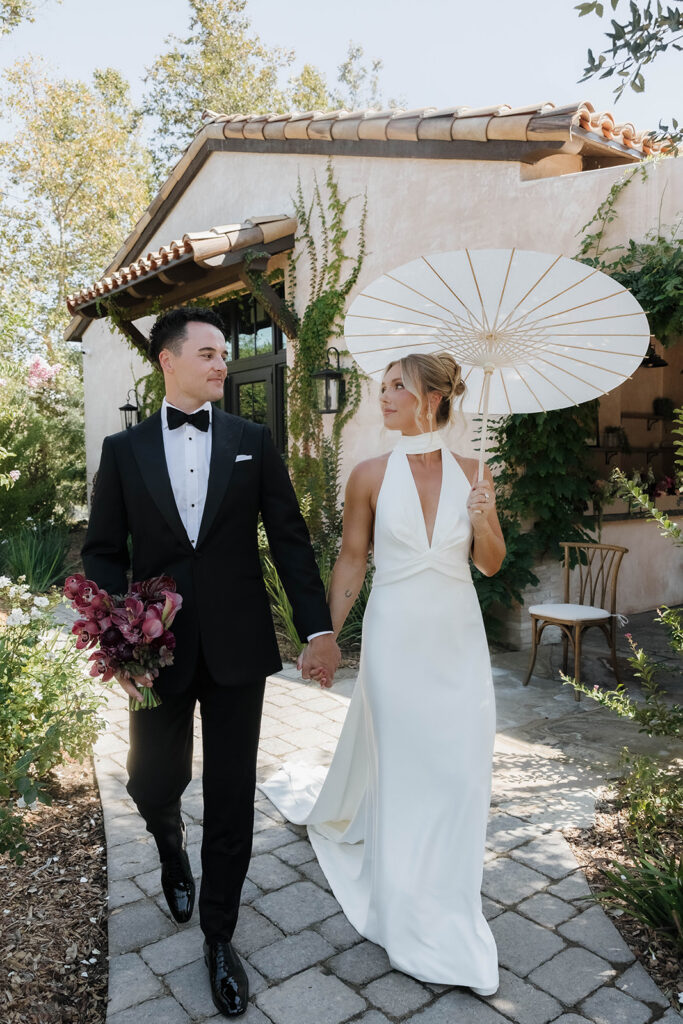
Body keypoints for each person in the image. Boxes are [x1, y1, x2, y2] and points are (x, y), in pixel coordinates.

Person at [81, 307, 340, 1018]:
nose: (222, 363)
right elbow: (103, 547)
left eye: (225, 352)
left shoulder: (254, 441)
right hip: (154, 650)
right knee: (151, 781)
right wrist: (114, 621)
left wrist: (316, 629)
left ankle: (220, 936)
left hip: (238, 648)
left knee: (231, 797)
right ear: (168, 360)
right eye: (208, 352)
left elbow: (288, 539)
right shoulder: (125, 448)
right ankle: (169, 845)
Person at [260, 351, 505, 994]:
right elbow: (351, 559)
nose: (384, 396)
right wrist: (327, 636)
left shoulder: (477, 471)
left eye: (397, 387)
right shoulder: (369, 473)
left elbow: (491, 565)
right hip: (395, 642)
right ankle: (404, 909)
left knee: (457, 769)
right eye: (383, 386)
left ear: (431, 397)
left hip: (457, 642)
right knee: (402, 766)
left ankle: (450, 896)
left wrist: (483, 515)